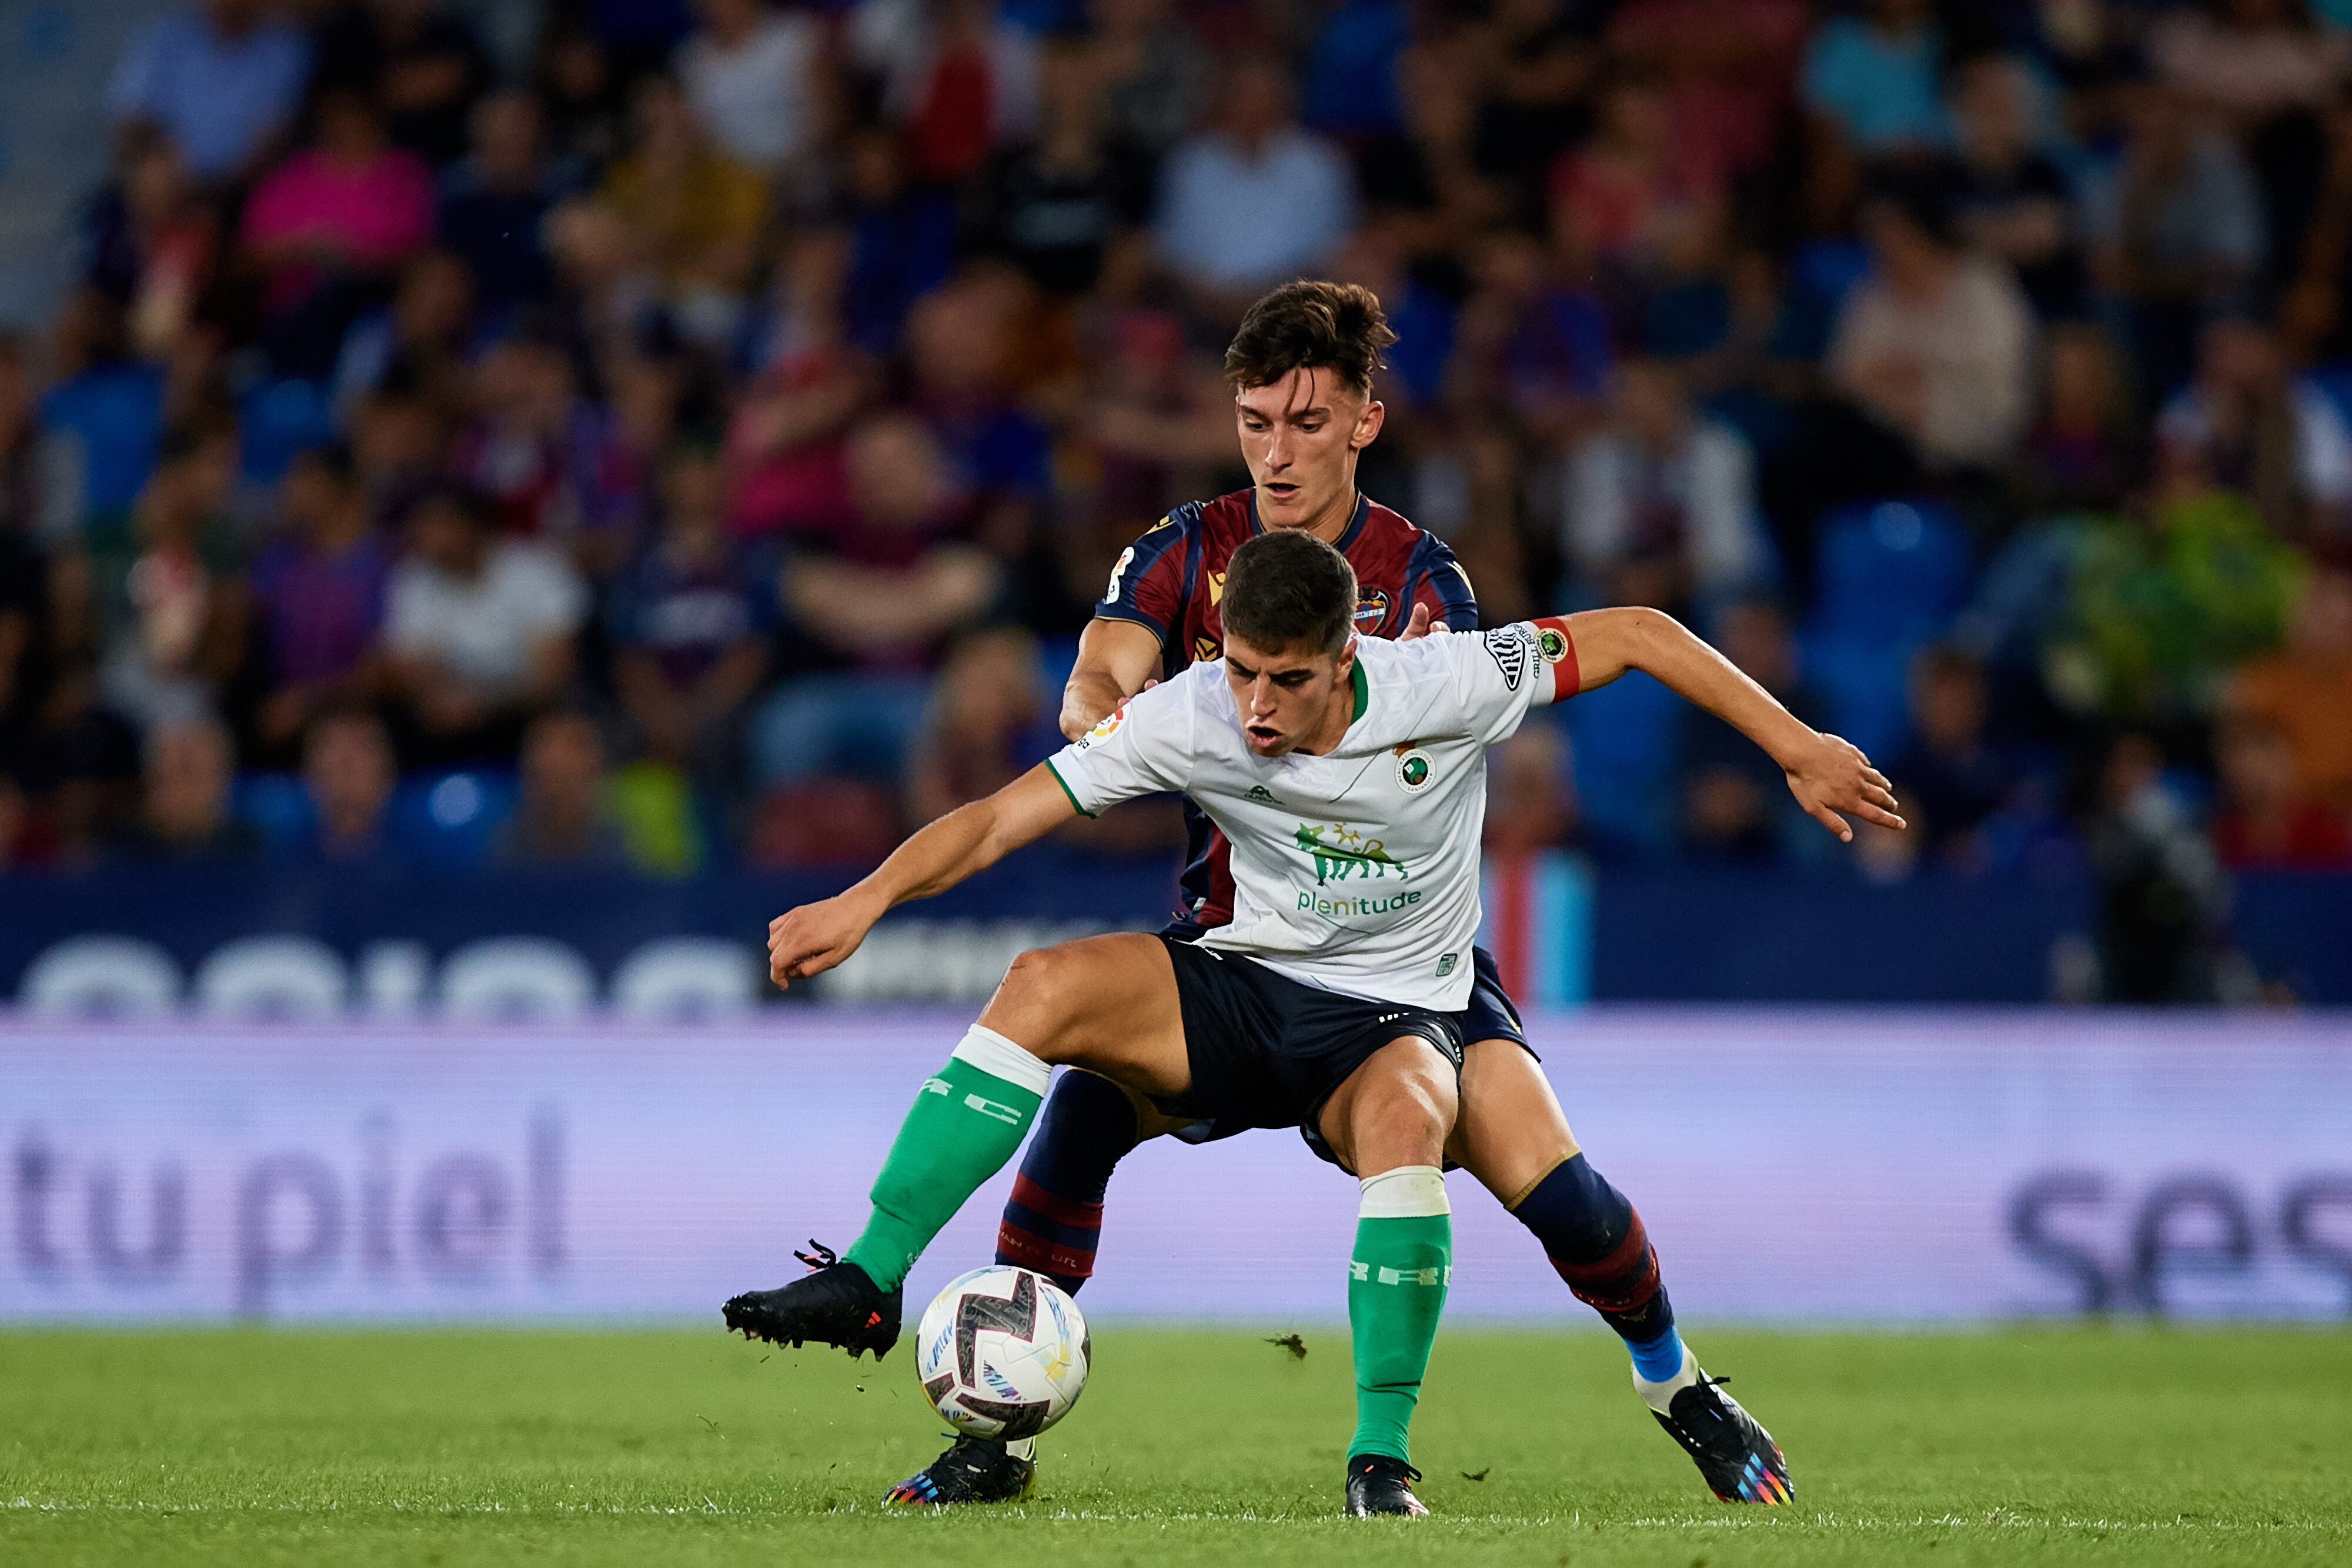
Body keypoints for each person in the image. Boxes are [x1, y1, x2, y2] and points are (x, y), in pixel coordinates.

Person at [729, 283, 1890, 1513]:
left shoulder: (1430, 629)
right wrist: (1050, 752)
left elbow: (1640, 634)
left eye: (1302, 421)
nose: (1275, 451)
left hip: (1411, 984)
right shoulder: (1190, 589)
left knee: (1560, 1197)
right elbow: (1075, 706)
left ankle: (1669, 1390)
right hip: (1236, 953)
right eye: (1252, 422)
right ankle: (951, 1377)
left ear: (1361, 425)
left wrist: (1795, 741)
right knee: (1063, 1050)